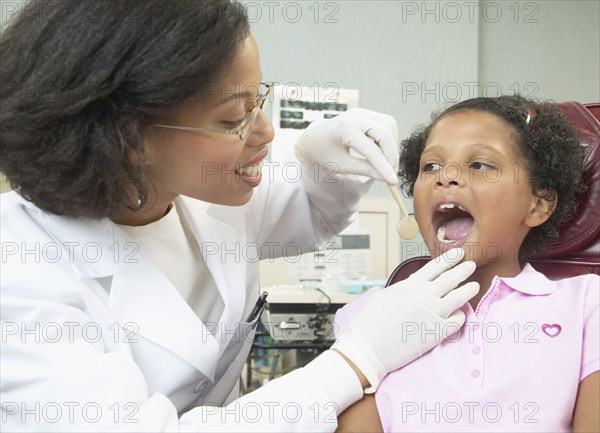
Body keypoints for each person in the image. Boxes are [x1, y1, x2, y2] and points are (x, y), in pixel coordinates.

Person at [0, 1, 480, 431]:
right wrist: (356, 361)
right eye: (234, 119)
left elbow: (309, 212)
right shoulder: (20, 268)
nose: (267, 133)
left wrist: (323, 156)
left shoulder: (199, 192)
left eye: (260, 100)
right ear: (128, 138)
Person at [334, 95, 600, 432]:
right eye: (430, 166)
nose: (446, 177)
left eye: (480, 165)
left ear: (538, 205)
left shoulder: (588, 305)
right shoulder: (365, 315)